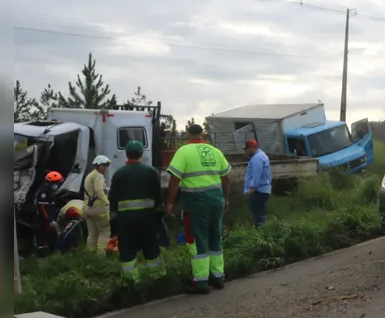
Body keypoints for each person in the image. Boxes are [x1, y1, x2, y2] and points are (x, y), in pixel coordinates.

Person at [166, 124, 231, 294]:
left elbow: (174, 179)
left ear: (188, 135)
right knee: (215, 237)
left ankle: (201, 281)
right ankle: (218, 277)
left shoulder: (183, 152)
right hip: (216, 201)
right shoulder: (215, 151)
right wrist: (226, 199)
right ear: (202, 134)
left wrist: (170, 202)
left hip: (196, 203)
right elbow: (226, 177)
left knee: (197, 240)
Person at [109, 140, 167, 283]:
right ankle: (158, 281)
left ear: (126, 154)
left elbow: (113, 203)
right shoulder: (151, 172)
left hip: (125, 222)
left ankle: (131, 284)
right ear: (141, 154)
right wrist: (158, 220)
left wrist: (114, 228)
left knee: (127, 253)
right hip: (148, 220)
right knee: (152, 250)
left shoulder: (118, 174)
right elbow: (158, 200)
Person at [84, 155, 112, 254]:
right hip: (98, 208)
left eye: (106, 166)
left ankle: (90, 255)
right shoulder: (98, 176)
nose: (106, 168)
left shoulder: (90, 175)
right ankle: (101, 257)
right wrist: (107, 202)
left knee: (92, 234)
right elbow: (99, 191)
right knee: (104, 232)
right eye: (104, 165)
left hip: (88, 208)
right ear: (98, 165)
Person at [34, 171, 64, 255]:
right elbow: (42, 207)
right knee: (43, 236)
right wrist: (50, 220)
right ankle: (43, 254)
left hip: (47, 219)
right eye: (57, 183)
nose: (57, 185)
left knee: (49, 236)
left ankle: (49, 251)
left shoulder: (48, 190)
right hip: (43, 220)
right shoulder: (44, 192)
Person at [244, 139, 272, 229]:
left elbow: (257, 174)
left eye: (247, 149)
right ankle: (260, 232)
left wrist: (252, 188)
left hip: (258, 190)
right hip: (261, 190)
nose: (246, 151)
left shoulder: (257, 158)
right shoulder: (260, 156)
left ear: (252, 148)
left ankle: (260, 234)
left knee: (258, 215)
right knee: (259, 213)